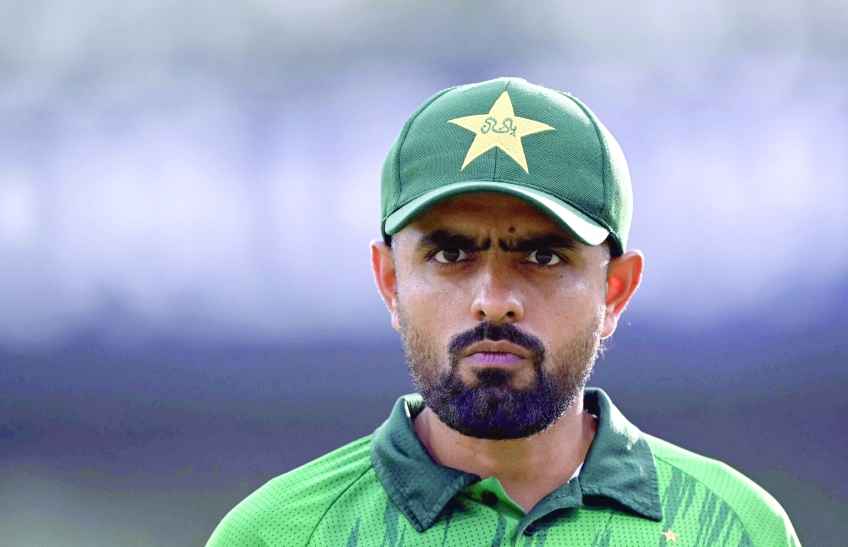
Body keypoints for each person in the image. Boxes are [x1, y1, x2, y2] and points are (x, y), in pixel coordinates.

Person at [206, 78, 801, 546]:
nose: (493, 298)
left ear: (615, 290)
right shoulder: (278, 533)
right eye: (450, 253)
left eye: (543, 256)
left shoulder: (733, 527)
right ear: (390, 281)